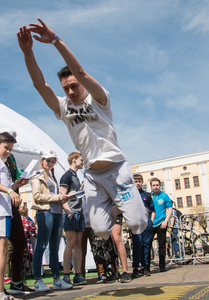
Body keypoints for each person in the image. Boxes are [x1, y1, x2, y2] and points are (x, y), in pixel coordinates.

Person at [17, 19, 148, 241]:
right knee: (99, 230)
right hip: (93, 175)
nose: (69, 92)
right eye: (65, 89)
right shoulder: (63, 107)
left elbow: (80, 71)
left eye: (73, 86)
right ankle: (114, 204)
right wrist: (28, 51)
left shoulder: (99, 100)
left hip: (116, 169)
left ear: (82, 84)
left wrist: (56, 41)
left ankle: (122, 203)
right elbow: (40, 85)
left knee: (137, 224)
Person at [0, 129, 34, 295]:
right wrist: (10, 192)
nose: (9, 152)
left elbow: (1, 183)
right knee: (0, 250)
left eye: (11, 149)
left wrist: (14, 186)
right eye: (6, 148)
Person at [30, 150, 73, 292]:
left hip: (56, 213)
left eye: (53, 161)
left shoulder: (52, 176)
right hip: (45, 213)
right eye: (48, 160)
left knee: (54, 248)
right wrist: (57, 198)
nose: (50, 163)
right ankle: (37, 280)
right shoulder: (37, 176)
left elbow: (53, 195)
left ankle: (56, 280)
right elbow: (37, 196)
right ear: (42, 160)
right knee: (41, 246)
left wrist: (63, 197)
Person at [59, 152, 88, 285]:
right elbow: (62, 196)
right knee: (70, 243)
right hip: (71, 213)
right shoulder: (67, 175)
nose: (83, 162)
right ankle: (66, 275)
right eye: (81, 160)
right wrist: (68, 211)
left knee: (78, 243)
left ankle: (78, 274)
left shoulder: (76, 175)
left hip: (79, 212)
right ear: (74, 160)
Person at [131, 174, 154, 277]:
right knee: (137, 244)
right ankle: (135, 267)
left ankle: (145, 267)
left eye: (139, 181)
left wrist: (151, 221)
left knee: (146, 244)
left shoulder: (147, 195)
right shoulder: (130, 194)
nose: (138, 183)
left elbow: (152, 210)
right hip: (136, 223)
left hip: (146, 222)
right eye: (135, 181)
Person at [150, 178, 172, 272]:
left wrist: (166, 221)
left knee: (162, 245)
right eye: (154, 185)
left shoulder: (164, 196)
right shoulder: (148, 196)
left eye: (157, 185)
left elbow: (170, 209)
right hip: (150, 224)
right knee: (147, 245)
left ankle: (162, 266)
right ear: (151, 186)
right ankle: (146, 267)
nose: (155, 187)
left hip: (161, 223)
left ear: (160, 185)